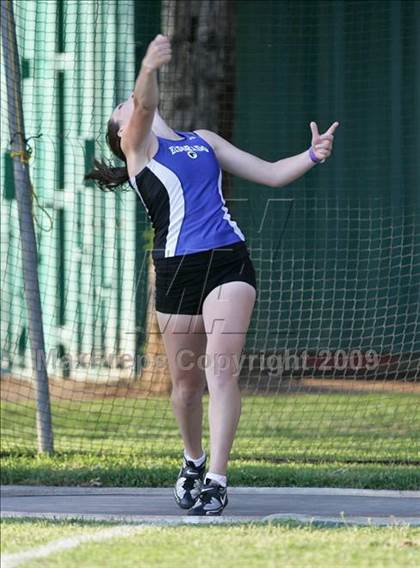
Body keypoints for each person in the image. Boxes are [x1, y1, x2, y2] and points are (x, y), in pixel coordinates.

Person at [85, 34, 339, 516]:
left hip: (228, 260)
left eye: (131, 102)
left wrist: (311, 155)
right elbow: (143, 102)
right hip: (177, 269)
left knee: (220, 370)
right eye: (126, 110)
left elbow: (268, 172)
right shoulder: (140, 151)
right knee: (185, 386)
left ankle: (217, 480)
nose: (132, 107)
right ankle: (193, 460)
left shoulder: (204, 140)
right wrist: (148, 68)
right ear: (123, 135)